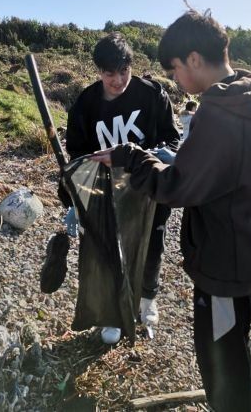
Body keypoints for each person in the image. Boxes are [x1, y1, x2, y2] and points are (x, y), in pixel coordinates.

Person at [91, 10, 251, 412]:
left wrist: (132, 157)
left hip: (226, 258)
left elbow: (177, 185)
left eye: (176, 69)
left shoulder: (221, 112)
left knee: (220, 358)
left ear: (194, 59)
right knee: (234, 342)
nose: (177, 80)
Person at [51, 32, 180, 345]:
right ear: (98, 71)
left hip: (147, 189)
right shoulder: (85, 105)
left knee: (151, 247)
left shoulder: (152, 95)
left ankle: (146, 303)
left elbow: (173, 140)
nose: (118, 80)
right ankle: (112, 314)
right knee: (107, 250)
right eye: (110, 74)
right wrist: (73, 200)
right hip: (105, 194)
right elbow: (77, 156)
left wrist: (156, 158)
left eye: (124, 71)